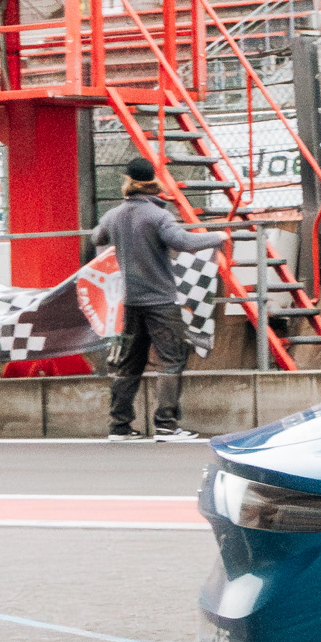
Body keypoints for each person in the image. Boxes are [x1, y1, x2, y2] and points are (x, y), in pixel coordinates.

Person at [92, 157, 222, 442]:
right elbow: (183, 243)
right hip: (161, 301)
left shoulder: (114, 215)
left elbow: (97, 237)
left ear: (127, 181)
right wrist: (218, 236)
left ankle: (119, 426)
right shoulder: (158, 215)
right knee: (172, 359)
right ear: (153, 181)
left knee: (129, 363)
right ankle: (167, 425)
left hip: (132, 301)